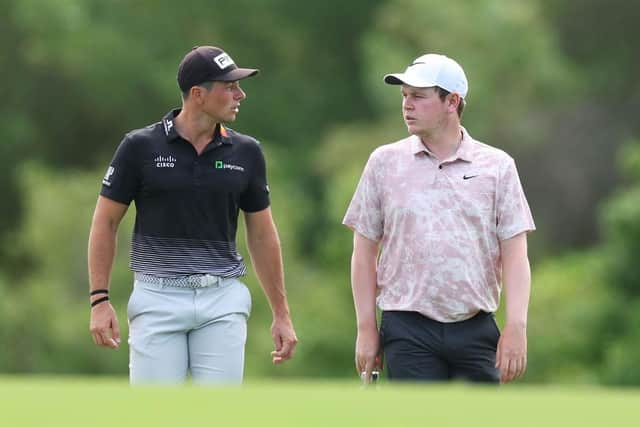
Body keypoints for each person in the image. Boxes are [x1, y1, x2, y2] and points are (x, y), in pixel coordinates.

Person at [88, 45, 298, 385]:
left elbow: (262, 234)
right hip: (157, 297)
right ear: (198, 94)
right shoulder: (140, 147)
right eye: (229, 87)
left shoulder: (247, 152)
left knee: (219, 416)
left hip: (222, 299)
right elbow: (105, 222)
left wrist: (282, 314)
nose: (239, 94)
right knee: (155, 416)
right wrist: (99, 300)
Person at [343, 53, 535, 384]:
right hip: (407, 327)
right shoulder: (384, 162)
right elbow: (363, 252)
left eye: (418, 96)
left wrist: (516, 326)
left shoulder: (497, 166)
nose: (407, 105)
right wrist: (366, 328)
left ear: (452, 102)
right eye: (405, 96)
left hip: (475, 327)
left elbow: (516, 256)